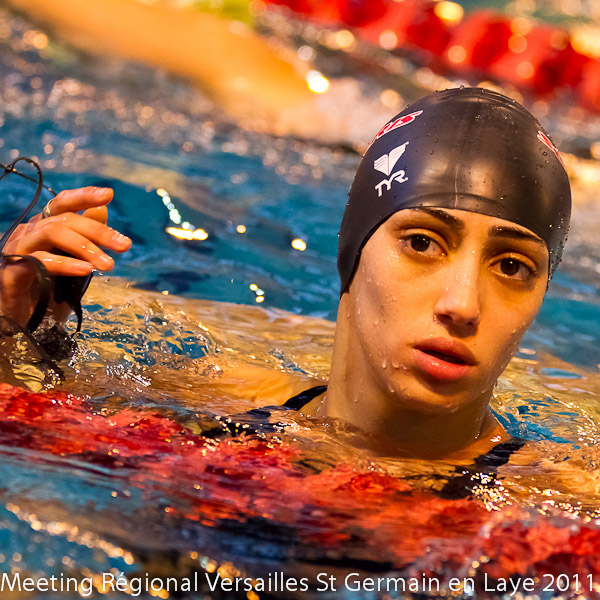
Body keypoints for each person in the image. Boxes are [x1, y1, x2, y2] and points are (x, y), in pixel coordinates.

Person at [0, 87, 571, 461]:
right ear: (352, 252)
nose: (463, 304)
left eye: (513, 266)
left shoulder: (556, 501)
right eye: (422, 242)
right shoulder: (209, 398)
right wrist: (20, 332)